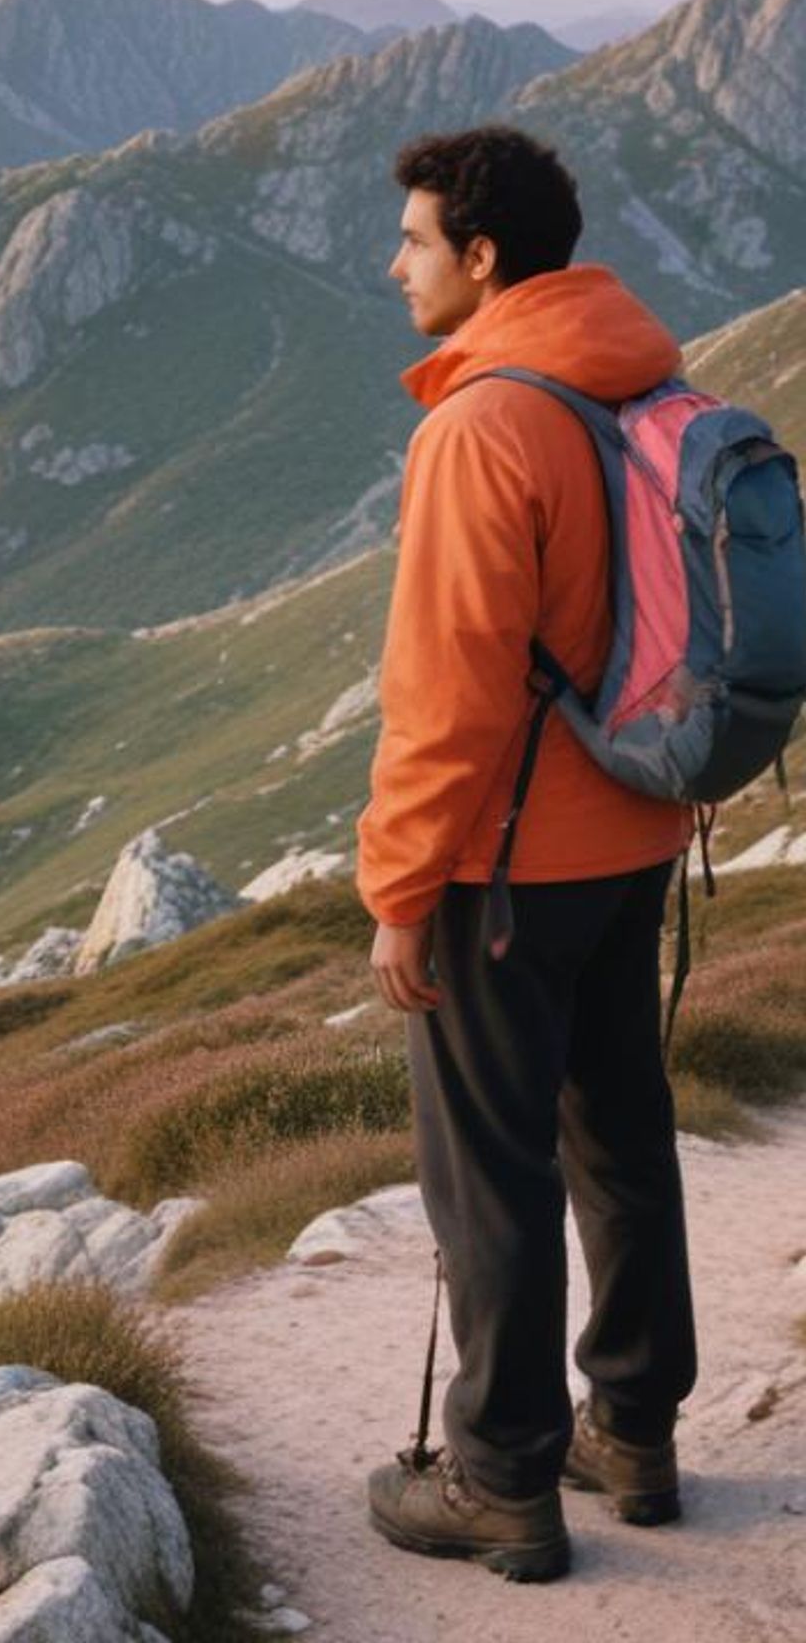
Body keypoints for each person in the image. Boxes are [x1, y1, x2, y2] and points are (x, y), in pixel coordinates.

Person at [356, 125, 698, 1582]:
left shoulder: (482, 424)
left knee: (490, 1171)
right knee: (620, 1131)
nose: (398, 264)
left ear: (483, 258)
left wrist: (397, 892)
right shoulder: (651, 378)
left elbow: (447, 691)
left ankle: (500, 1481)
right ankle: (633, 1429)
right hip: (639, 828)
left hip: (509, 867)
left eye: (417, 240)